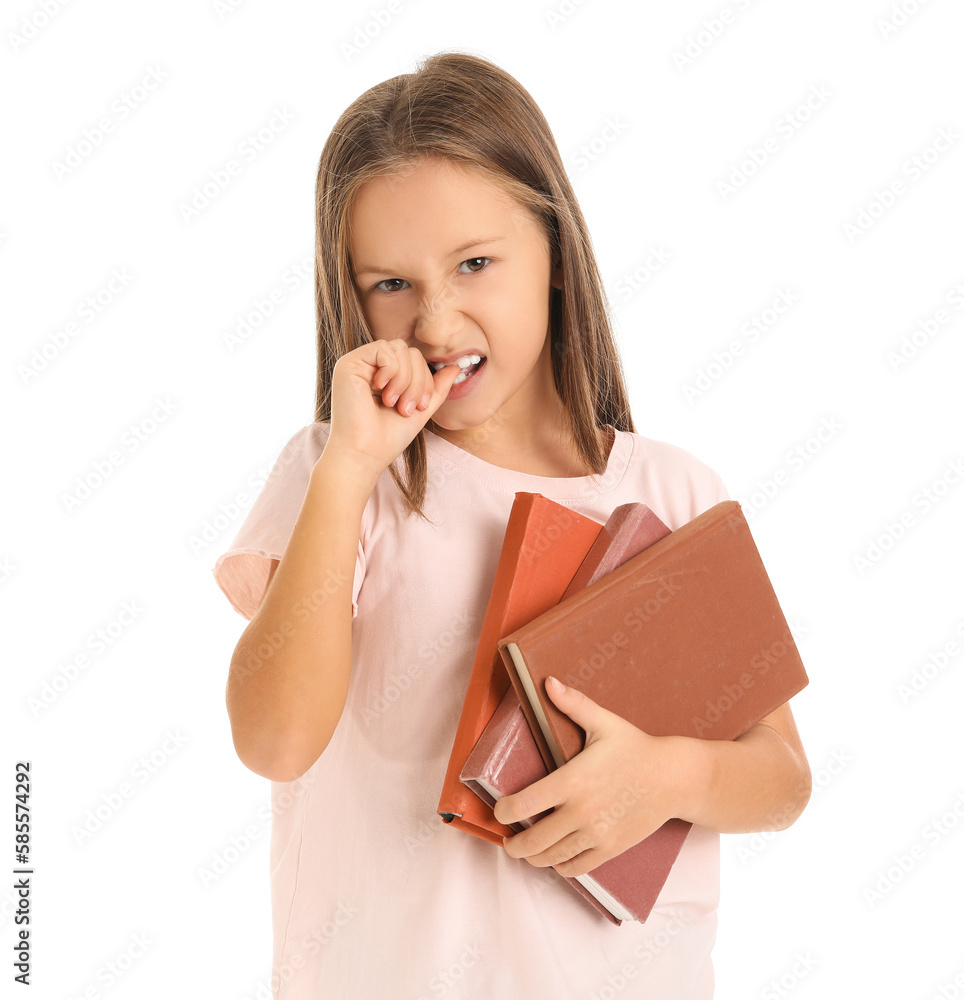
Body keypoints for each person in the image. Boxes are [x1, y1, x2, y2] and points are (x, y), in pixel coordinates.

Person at [213, 50, 811, 999]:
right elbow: (274, 741)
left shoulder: (676, 489)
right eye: (389, 284)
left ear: (557, 258)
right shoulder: (345, 473)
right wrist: (349, 470)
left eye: (476, 264)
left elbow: (781, 775)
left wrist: (662, 781)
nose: (437, 320)